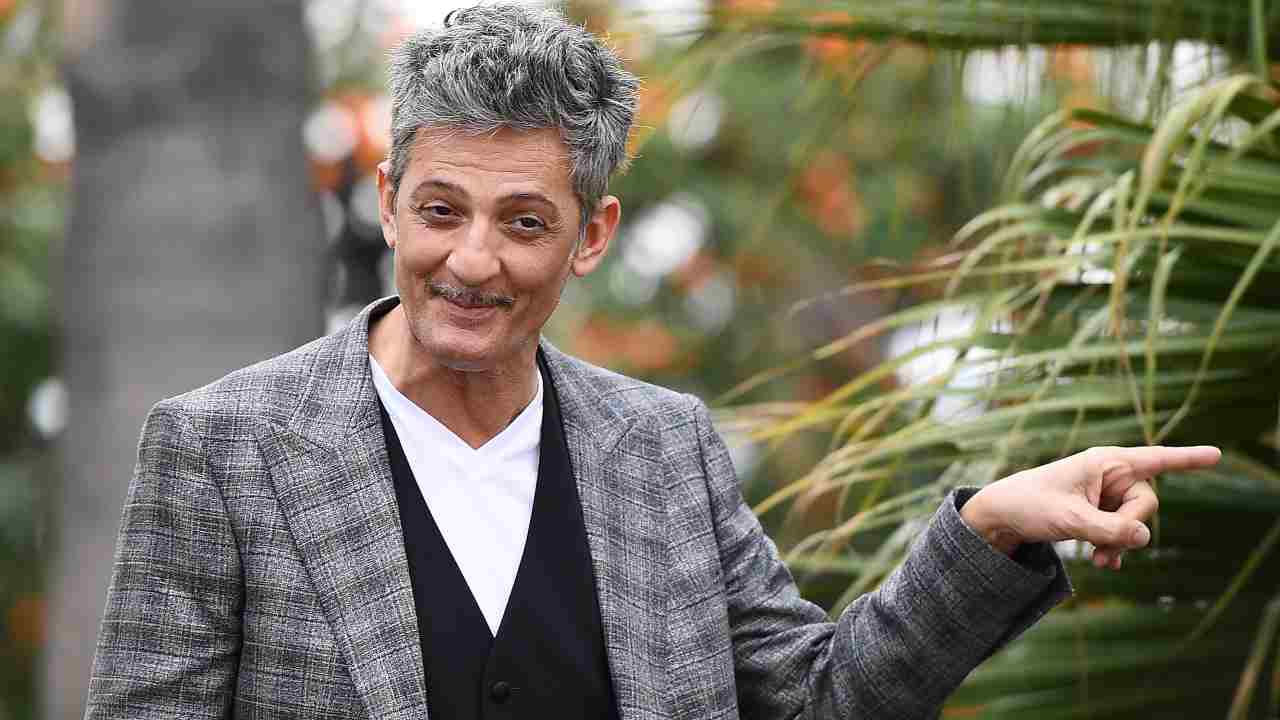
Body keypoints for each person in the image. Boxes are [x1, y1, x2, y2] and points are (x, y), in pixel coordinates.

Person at [84, 5, 1221, 719]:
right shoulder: (221, 449)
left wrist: (986, 531)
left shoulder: (664, 448)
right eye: (439, 210)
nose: (471, 260)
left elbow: (819, 702)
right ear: (387, 203)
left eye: (524, 223)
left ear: (592, 234)